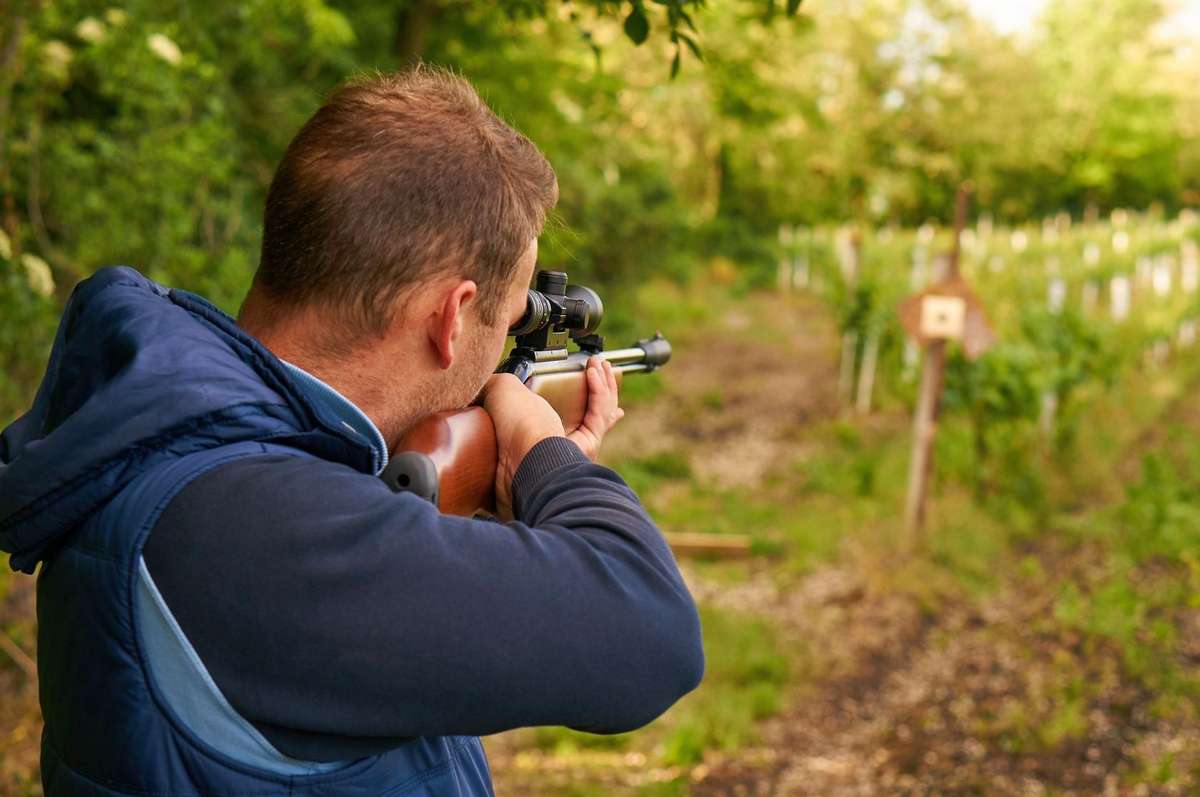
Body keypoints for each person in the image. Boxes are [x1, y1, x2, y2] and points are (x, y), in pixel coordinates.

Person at [0, 66, 704, 796]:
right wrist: (543, 451)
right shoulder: (255, 528)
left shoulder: (174, 451)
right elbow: (653, 632)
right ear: (453, 315)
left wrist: (479, 499)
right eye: (502, 324)